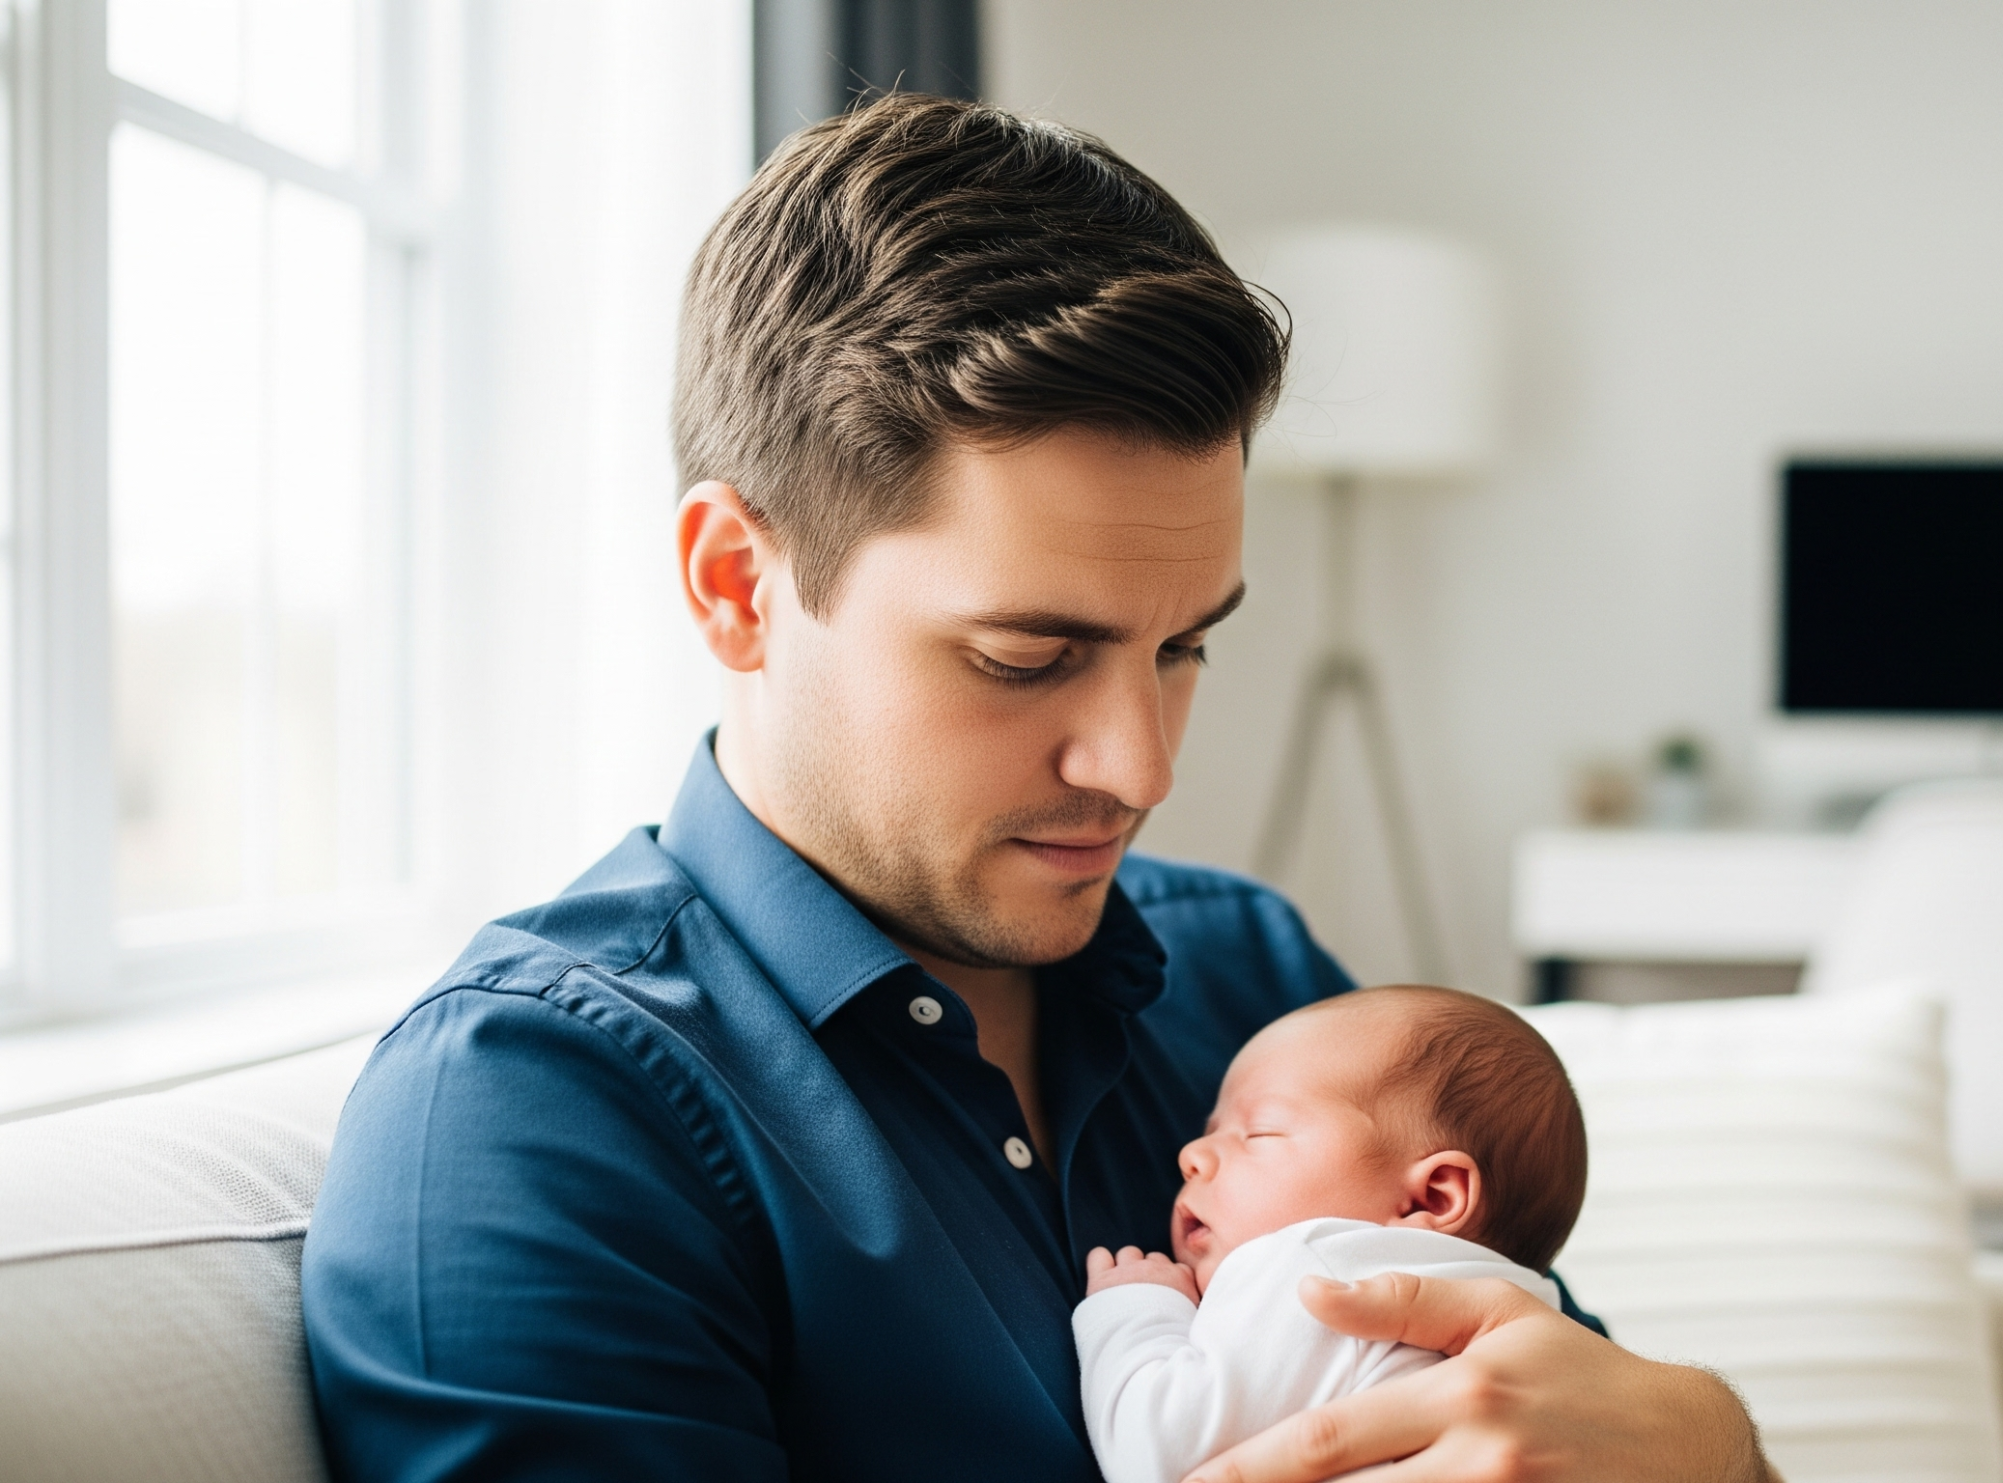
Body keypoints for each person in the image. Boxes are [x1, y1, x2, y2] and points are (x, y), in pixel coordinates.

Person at [301, 92, 1775, 1482]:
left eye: (1186, 643)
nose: (1142, 765)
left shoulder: (1255, 977)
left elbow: (1546, 1412)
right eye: (1024, 654)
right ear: (738, 584)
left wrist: (1719, 1447)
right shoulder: (532, 1114)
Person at [1076, 987, 1589, 1483]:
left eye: (1260, 1132)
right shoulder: (1550, 1335)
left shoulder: (1317, 1267)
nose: (1193, 1154)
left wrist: (1137, 1308)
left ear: (1430, 1198)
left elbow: (1156, 1456)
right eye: (1212, 1129)